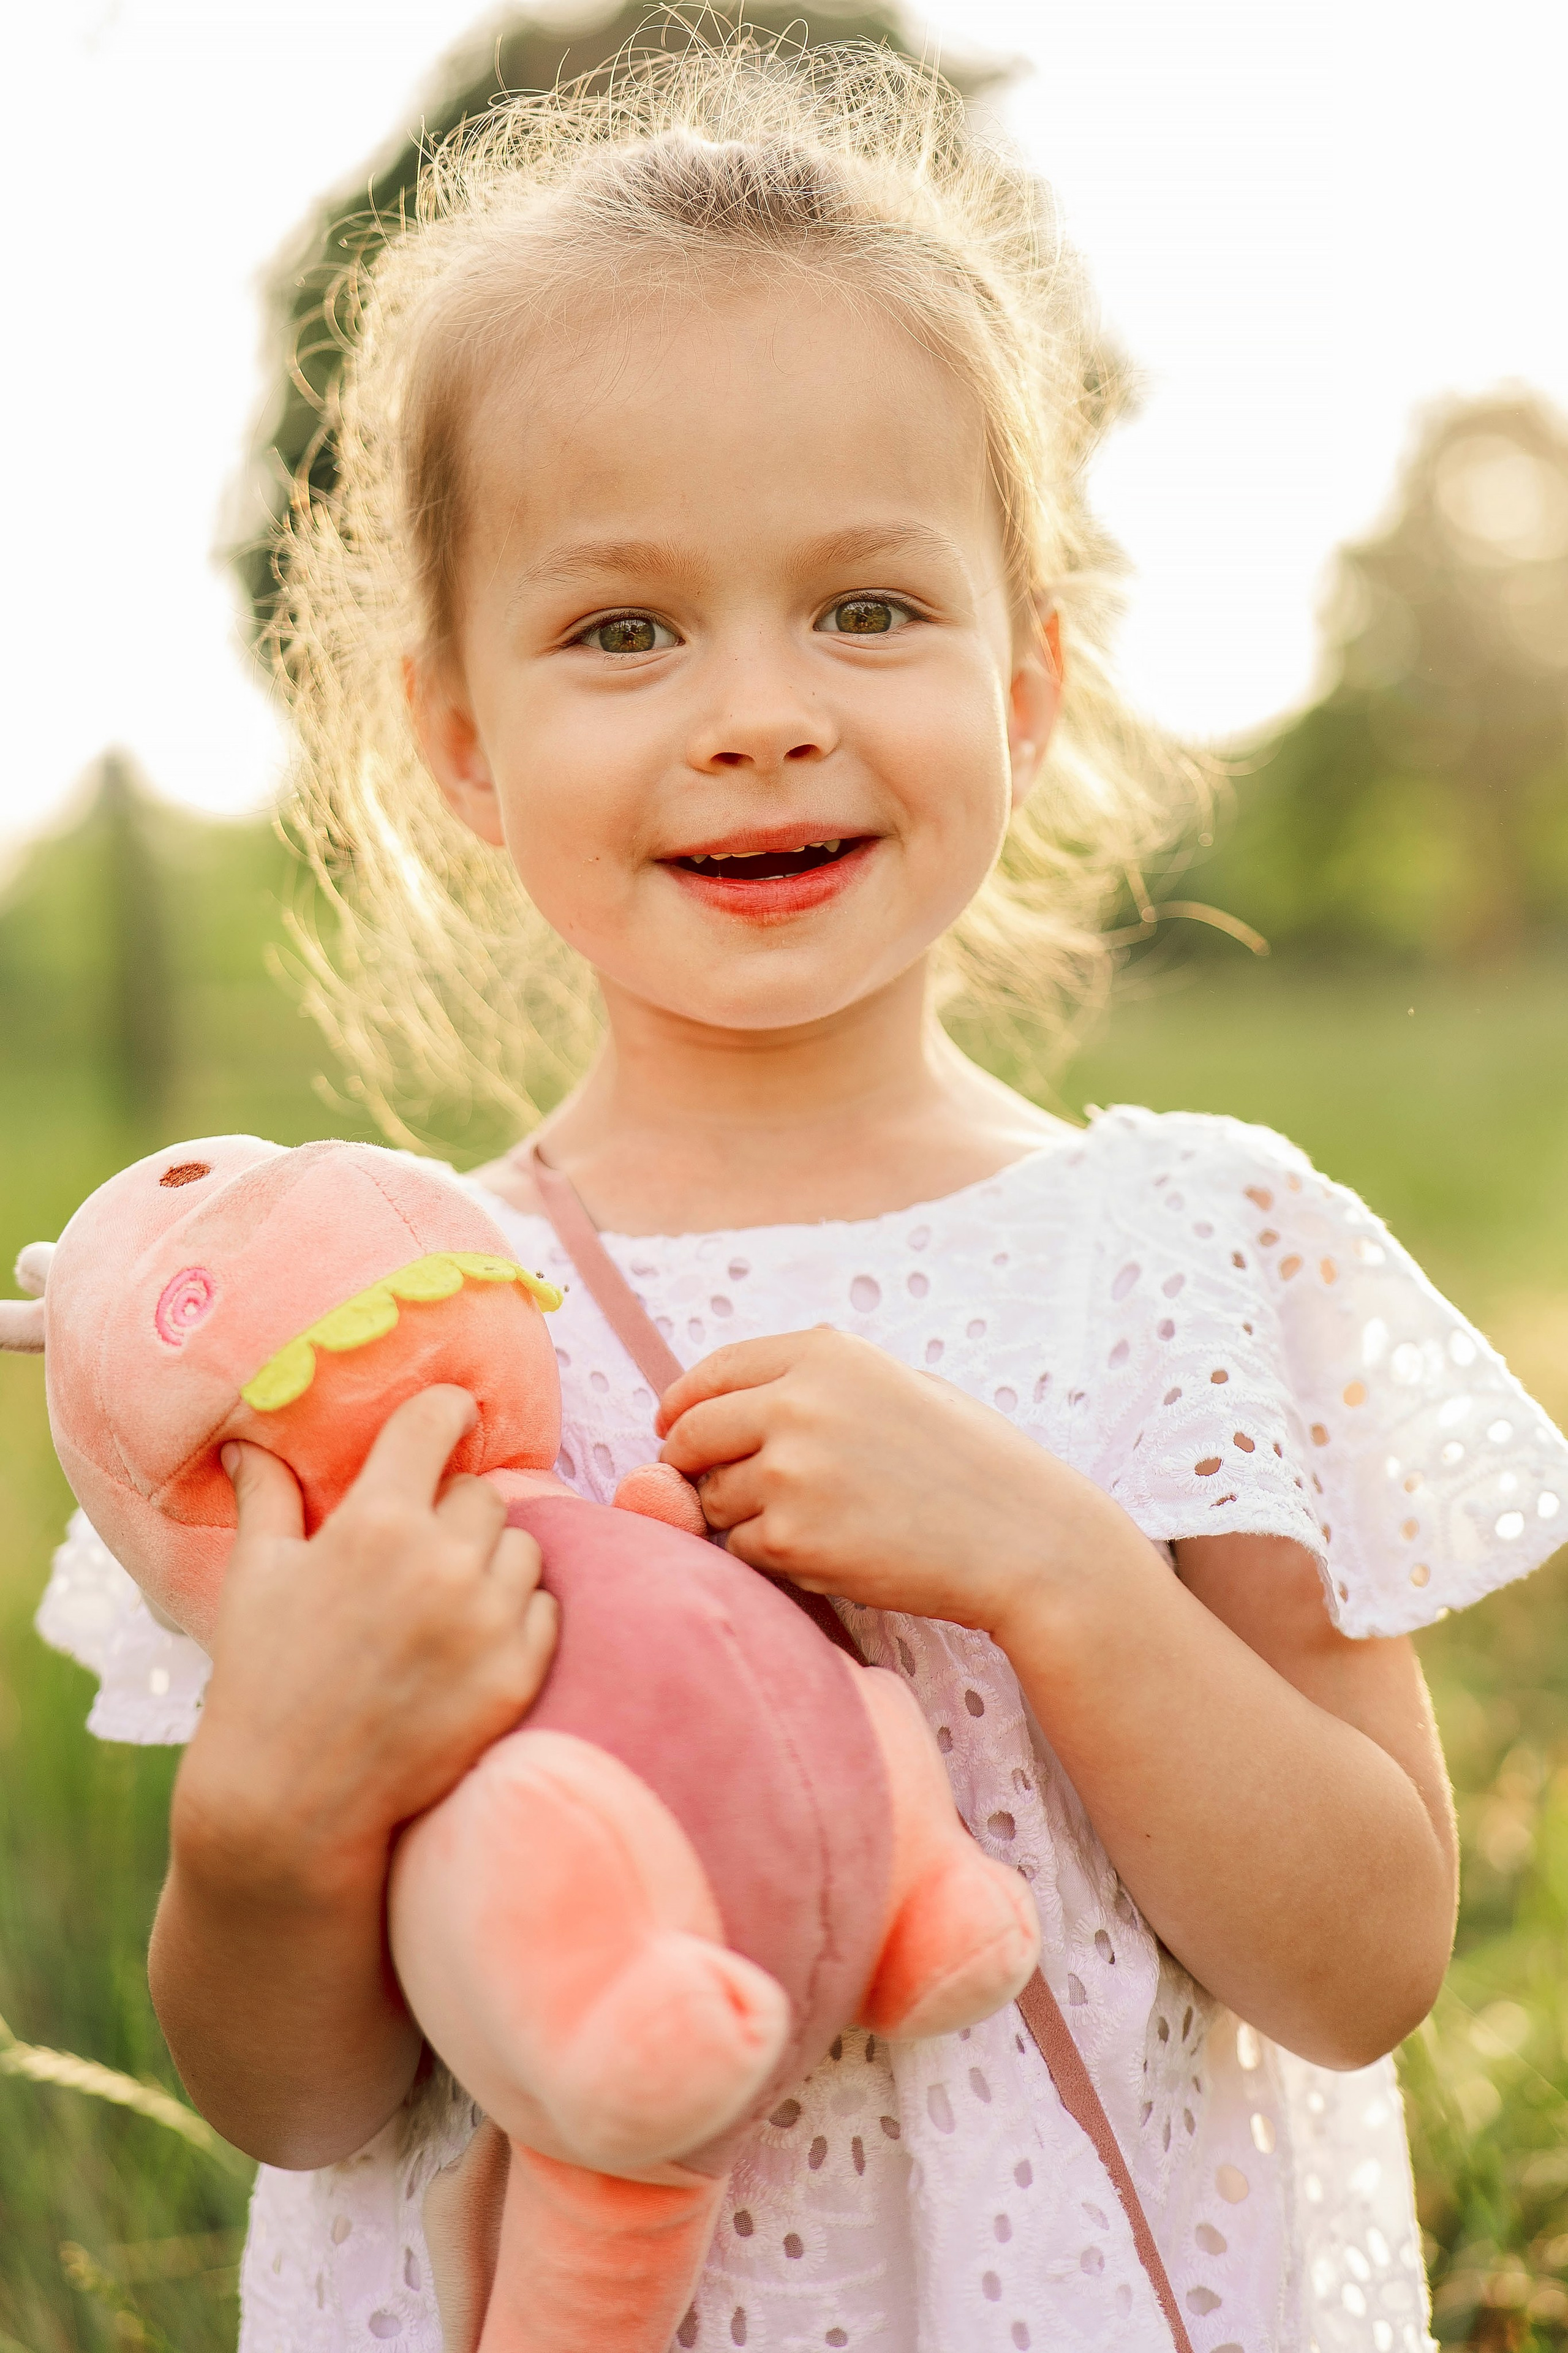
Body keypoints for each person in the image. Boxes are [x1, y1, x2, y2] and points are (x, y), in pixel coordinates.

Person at [36, 32, 1568, 2353]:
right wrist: (275, 1816)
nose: (759, 708)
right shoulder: (370, 1324)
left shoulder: (1187, 1253)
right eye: (623, 628)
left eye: (867, 606)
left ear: (1029, 678)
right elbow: (301, 2103)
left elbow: (1364, 1965)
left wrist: (1060, 1567)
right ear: (456, 731)